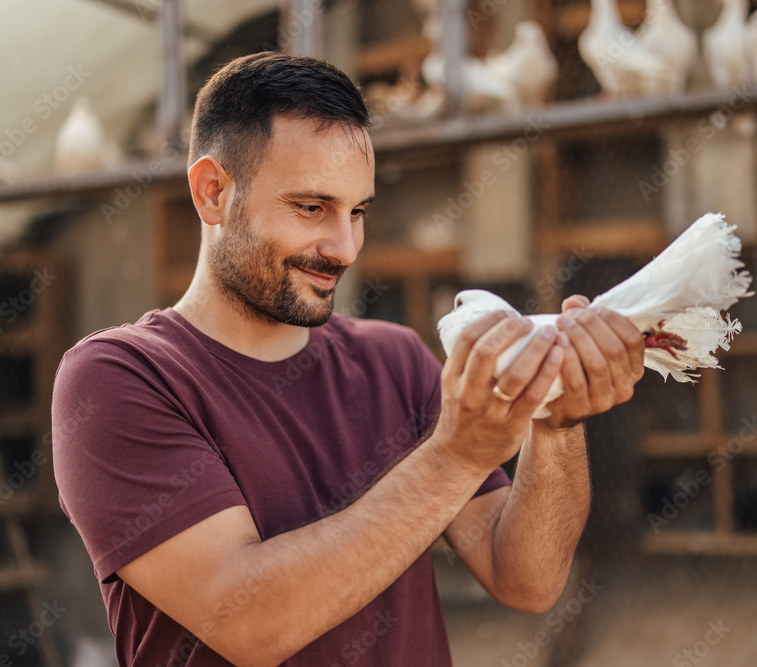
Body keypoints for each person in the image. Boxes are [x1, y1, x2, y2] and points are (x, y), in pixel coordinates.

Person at [51, 51, 645, 667]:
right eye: (313, 208)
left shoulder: (395, 361)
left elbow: (526, 580)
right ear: (213, 193)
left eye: (357, 211)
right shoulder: (118, 379)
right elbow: (248, 620)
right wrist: (459, 454)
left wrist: (556, 423)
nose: (344, 246)